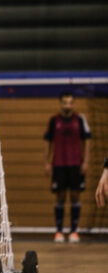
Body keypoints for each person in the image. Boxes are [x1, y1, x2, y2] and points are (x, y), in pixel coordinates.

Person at [44, 91, 91, 243]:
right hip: (59, 164)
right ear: (61, 103)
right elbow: (48, 142)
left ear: (74, 103)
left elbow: (87, 141)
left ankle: (74, 231)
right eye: (65, 102)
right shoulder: (53, 121)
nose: (68, 105)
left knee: (75, 196)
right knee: (60, 196)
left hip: (76, 164)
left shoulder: (80, 120)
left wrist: (86, 161)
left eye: (70, 102)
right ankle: (58, 231)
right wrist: (47, 162)